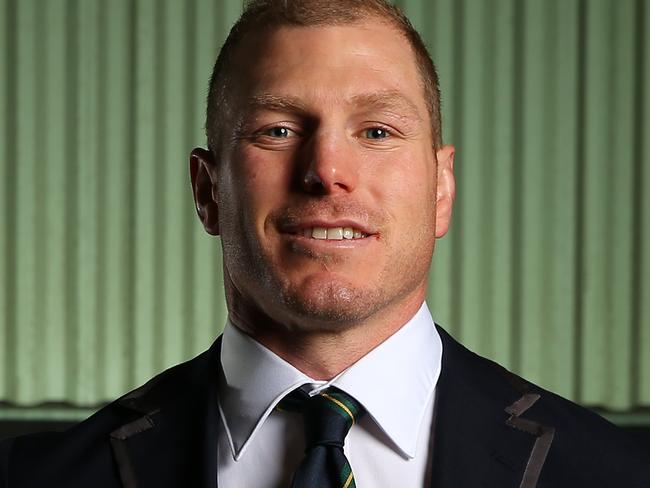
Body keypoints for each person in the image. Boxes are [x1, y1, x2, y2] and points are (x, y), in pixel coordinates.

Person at [1, 1, 648, 487]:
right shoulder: (39, 477)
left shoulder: (614, 473)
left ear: (442, 188)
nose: (327, 170)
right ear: (207, 191)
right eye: (278, 129)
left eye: (376, 131)